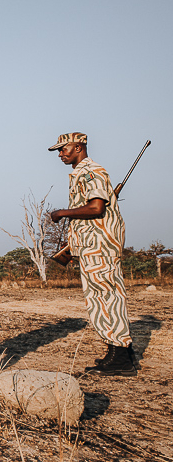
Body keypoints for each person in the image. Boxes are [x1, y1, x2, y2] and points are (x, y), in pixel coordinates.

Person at [49, 132, 137, 376]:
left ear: (78, 147)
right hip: (92, 246)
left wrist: (63, 213)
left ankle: (120, 358)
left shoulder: (91, 171)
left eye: (63, 149)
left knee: (106, 297)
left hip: (99, 247)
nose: (60, 154)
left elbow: (96, 207)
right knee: (101, 297)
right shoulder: (82, 172)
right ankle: (117, 352)